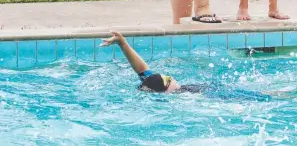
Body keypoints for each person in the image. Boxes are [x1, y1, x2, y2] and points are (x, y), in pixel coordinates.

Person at [99, 31, 272, 101]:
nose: (172, 77)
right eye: (168, 79)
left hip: (217, 91)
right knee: (261, 96)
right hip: (220, 95)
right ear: (166, 90)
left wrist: (122, 43)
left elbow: (142, 70)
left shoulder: (152, 83)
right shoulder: (185, 94)